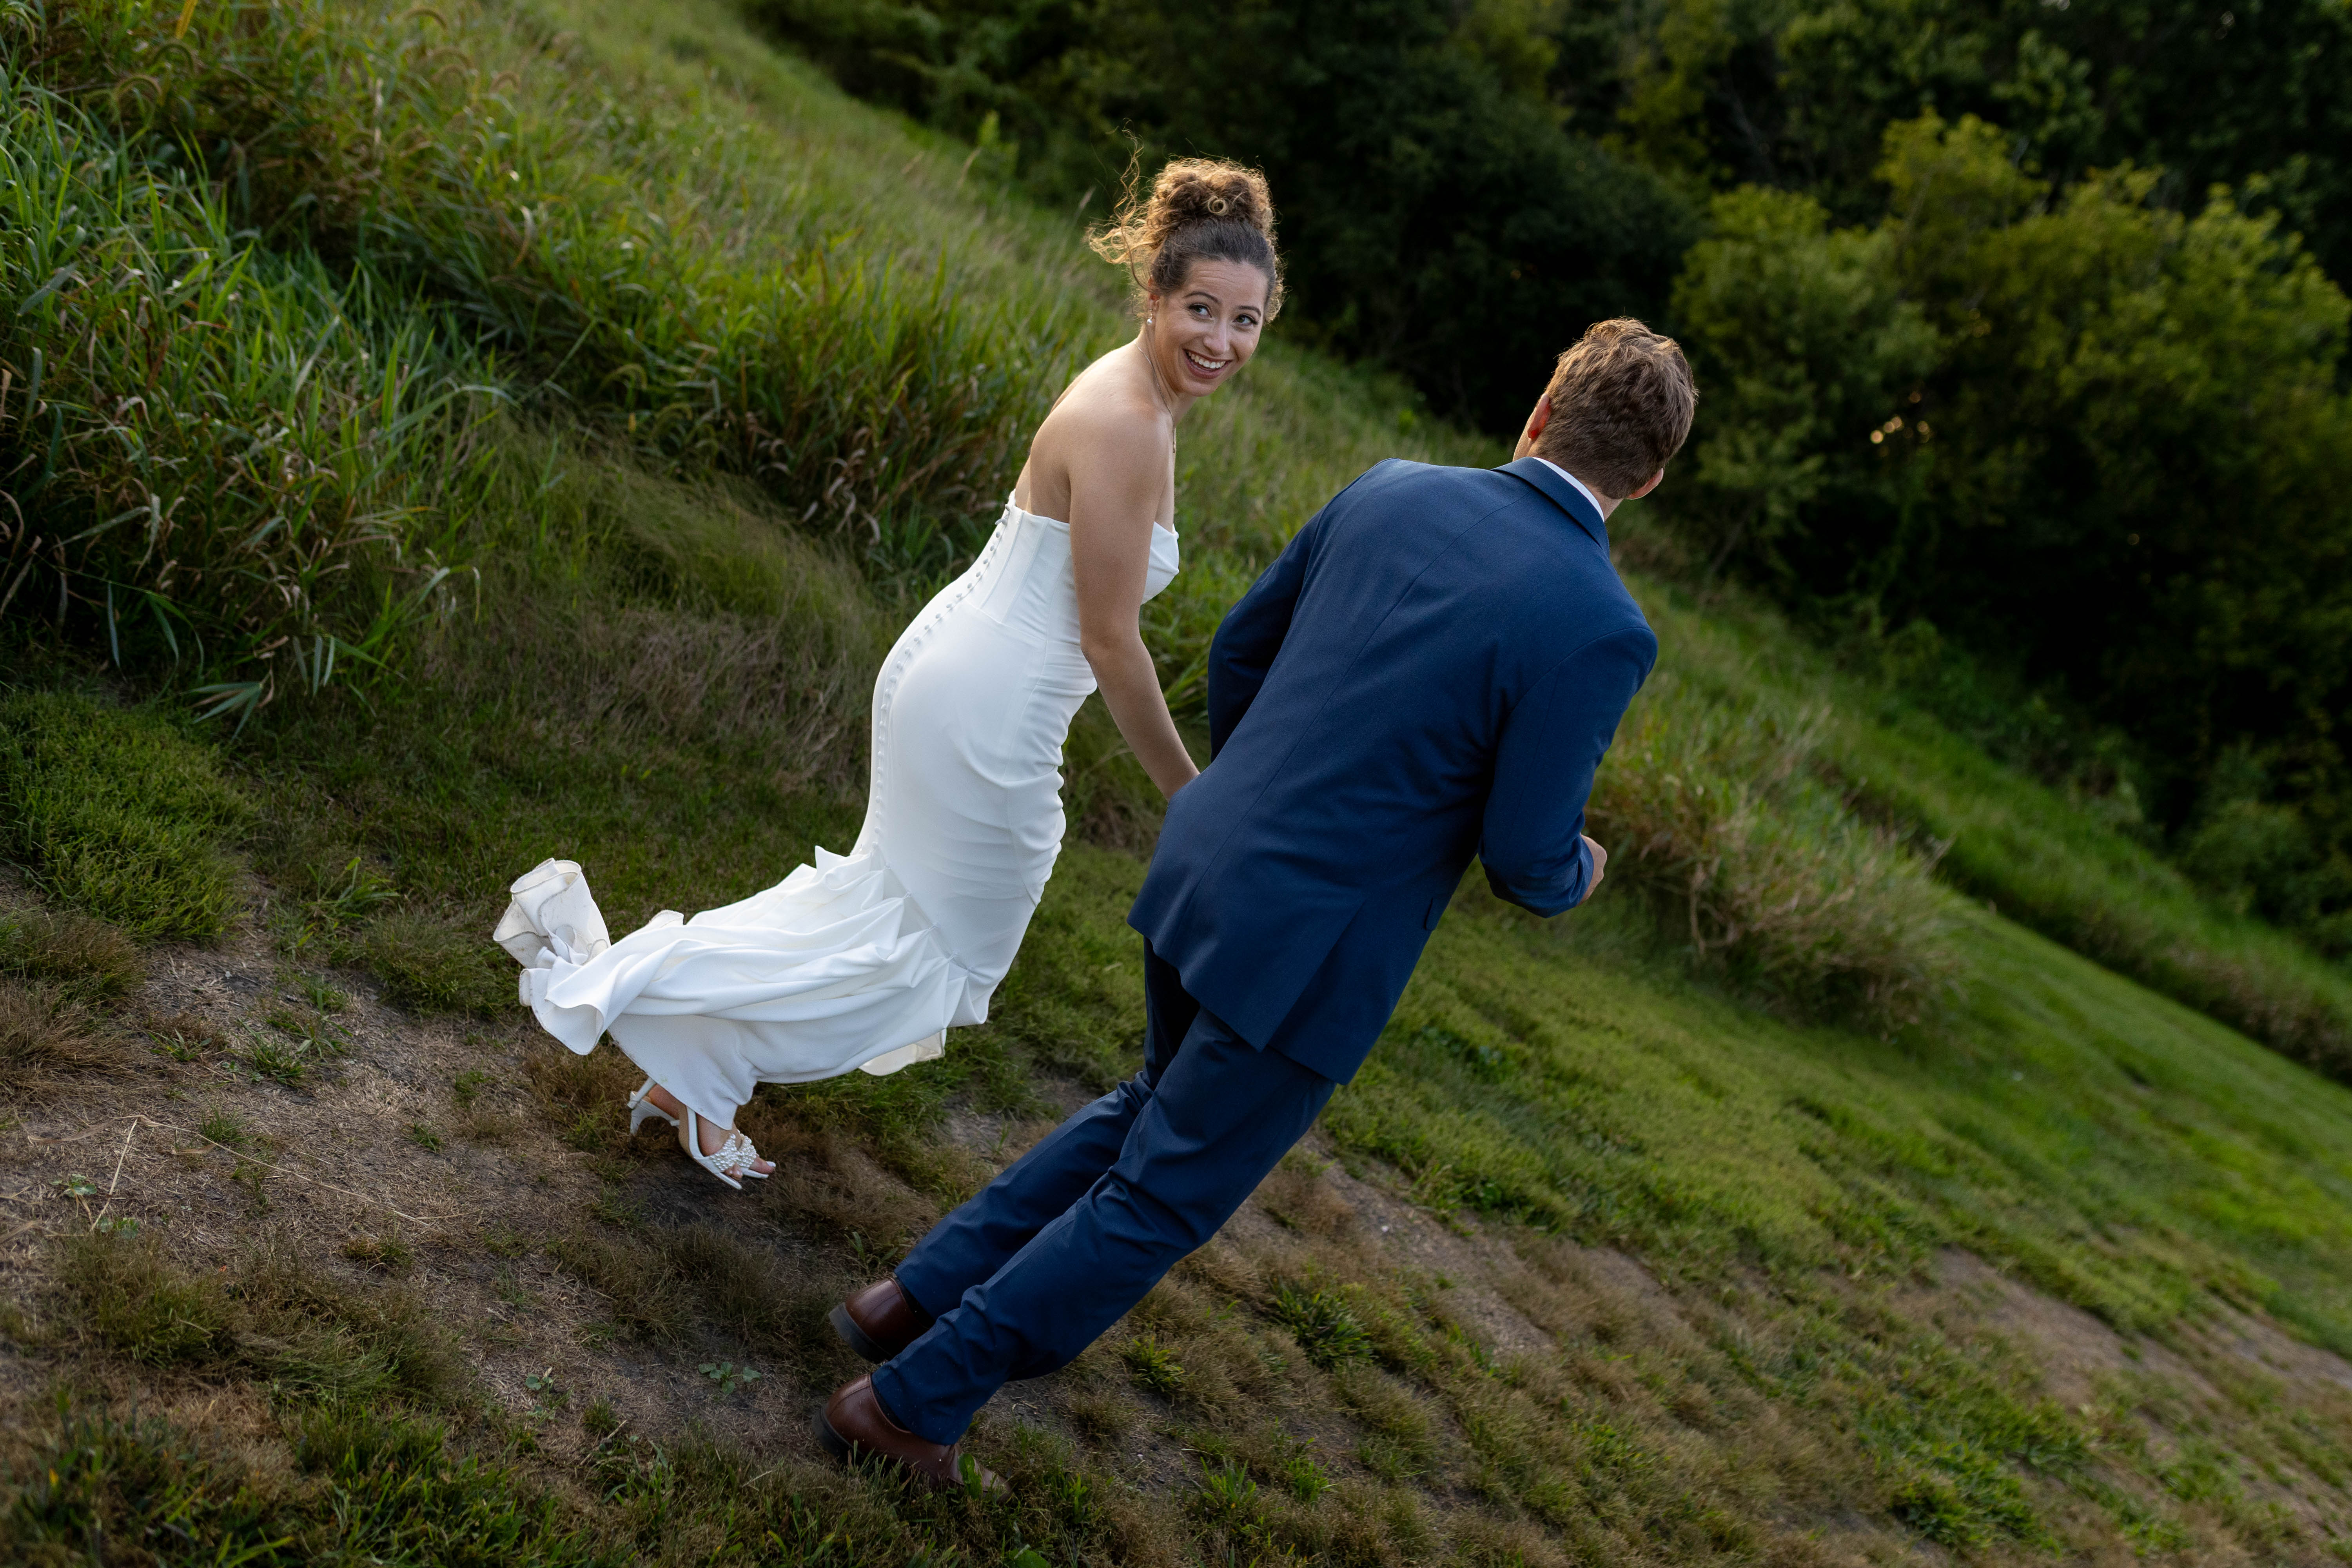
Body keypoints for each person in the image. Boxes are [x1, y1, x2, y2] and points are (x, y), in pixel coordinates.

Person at [817, 318, 1697, 1491]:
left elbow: (1242, 650)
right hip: (1309, 951)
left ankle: (907, 1297)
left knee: (1146, 1108)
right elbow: (1524, 853)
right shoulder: (1601, 626)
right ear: (1644, 480)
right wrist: (1580, 869)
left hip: (1211, 856)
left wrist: (1257, 802)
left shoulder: (1390, 490)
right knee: (1159, 1194)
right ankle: (910, 1400)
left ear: (1541, 411)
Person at [490, 159, 1282, 1188]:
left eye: (1248, 322)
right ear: (1156, 295)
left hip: (957, 673)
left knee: (883, 921)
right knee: (925, 964)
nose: (1221, 341)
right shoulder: (1132, 422)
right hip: (985, 713)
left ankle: (693, 1083)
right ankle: (665, 1022)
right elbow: (1110, 641)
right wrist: (1195, 797)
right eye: (1201, 310)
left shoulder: (1134, 392)